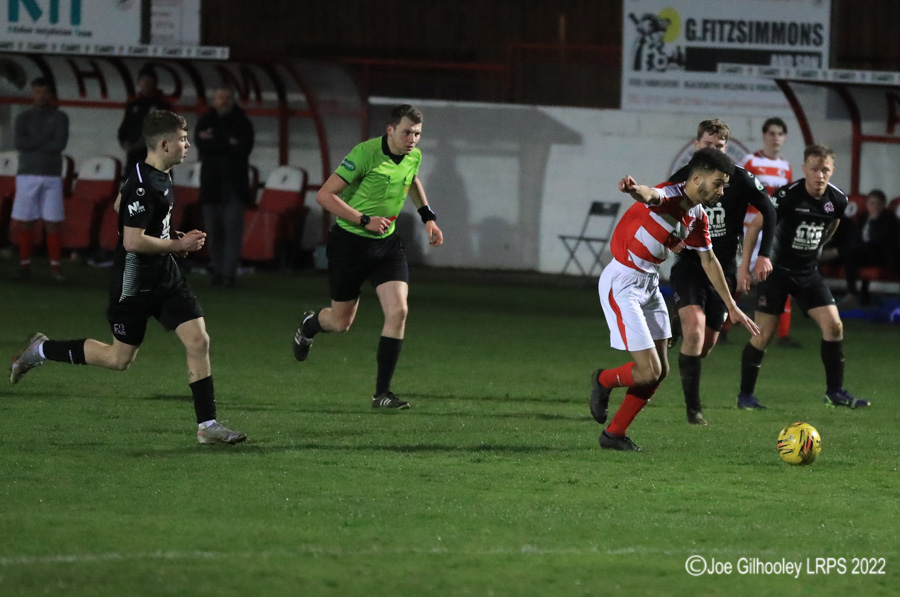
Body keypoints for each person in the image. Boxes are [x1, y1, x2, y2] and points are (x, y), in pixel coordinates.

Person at [9, 110, 247, 445]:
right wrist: (176, 243)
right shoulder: (142, 182)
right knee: (118, 359)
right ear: (164, 144)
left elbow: (119, 206)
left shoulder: (149, 172)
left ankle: (207, 426)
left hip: (164, 276)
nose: (187, 144)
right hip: (133, 282)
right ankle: (41, 350)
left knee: (199, 340)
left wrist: (164, 234)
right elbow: (132, 241)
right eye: (181, 139)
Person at [589, 148, 759, 451]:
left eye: (724, 185)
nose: (721, 191)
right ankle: (603, 380)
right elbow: (650, 194)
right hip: (623, 282)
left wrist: (732, 306)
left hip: (649, 284)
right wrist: (633, 189)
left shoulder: (697, 215)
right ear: (696, 179)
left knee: (660, 372)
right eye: (718, 183)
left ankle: (614, 434)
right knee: (647, 371)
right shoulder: (670, 196)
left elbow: (710, 262)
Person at [291, 104, 444, 409]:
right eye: (406, 132)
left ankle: (382, 394)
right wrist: (364, 219)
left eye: (417, 133)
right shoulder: (365, 153)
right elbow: (325, 196)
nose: (412, 139)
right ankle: (309, 325)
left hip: (386, 246)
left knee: (398, 311)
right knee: (340, 322)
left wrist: (428, 216)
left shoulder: (413, 155)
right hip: (350, 243)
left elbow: (411, 179)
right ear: (390, 130)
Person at [739, 144, 869, 410]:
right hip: (776, 272)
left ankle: (835, 392)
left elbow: (833, 221)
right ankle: (745, 396)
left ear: (832, 170)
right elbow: (754, 227)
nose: (819, 175)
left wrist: (818, 245)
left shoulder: (838, 200)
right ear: (804, 170)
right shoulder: (788, 196)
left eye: (825, 170)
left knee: (834, 326)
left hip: (808, 272)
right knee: (763, 335)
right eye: (814, 169)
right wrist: (745, 266)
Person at [667, 119, 775, 426]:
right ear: (696, 144)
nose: (713, 151)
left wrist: (763, 254)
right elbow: (660, 206)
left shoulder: (739, 179)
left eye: (720, 147)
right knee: (695, 328)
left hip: (723, 271)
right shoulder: (684, 177)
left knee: (705, 345)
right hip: (690, 265)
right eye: (708, 145)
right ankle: (693, 409)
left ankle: (680, 335)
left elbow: (769, 209)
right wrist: (668, 239)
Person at [741, 117, 800, 348]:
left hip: (773, 233)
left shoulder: (786, 167)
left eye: (780, 134)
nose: (776, 138)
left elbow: (789, 200)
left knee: (779, 279)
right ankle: (721, 326)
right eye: (772, 133)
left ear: (784, 138)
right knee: (737, 279)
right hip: (749, 230)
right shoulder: (751, 161)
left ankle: (783, 334)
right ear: (764, 136)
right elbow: (739, 192)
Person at [195, 87, 255, 287]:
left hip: (234, 186)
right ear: (213, 100)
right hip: (210, 185)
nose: (223, 101)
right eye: (220, 97)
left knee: (232, 231)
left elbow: (242, 149)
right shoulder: (205, 120)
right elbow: (200, 143)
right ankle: (218, 271)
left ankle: (228, 274)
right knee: (213, 231)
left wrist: (215, 142)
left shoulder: (243, 122)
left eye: (227, 97)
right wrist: (227, 143)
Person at [11, 77, 69, 280]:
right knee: (25, 221)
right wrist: (45, 141)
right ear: (31, 93)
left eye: (44, 92)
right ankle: (24, 266)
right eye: (37, 91)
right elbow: (20, 143)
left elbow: (59, 145)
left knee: (53, 222)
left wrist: (34, 143)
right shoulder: (23, 117)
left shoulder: (60, 117)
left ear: (51, 95)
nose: (40, 96)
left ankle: (55, 268)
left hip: (52, 175)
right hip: (27, 174)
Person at [838, 189, 899, 307]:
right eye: (871, 203)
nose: (874, 206)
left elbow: (879, 240)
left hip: (881, 255)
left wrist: (875, 221)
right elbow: (855, 237)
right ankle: (853, 293)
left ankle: (853, 294)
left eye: (878, 203)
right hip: (864, 253)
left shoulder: (888, 218)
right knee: (850, 254)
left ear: (883, 205)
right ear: (867, 204)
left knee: (851, 253)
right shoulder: (863, 217)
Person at [118, 66, 173, 175]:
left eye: (149, 80)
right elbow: (125, 126)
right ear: (139, 83)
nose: (146, 83)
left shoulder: (162, 105)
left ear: (155, 83)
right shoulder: (133, 105)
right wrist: (124, 141)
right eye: (143, 80)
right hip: (133, 156)